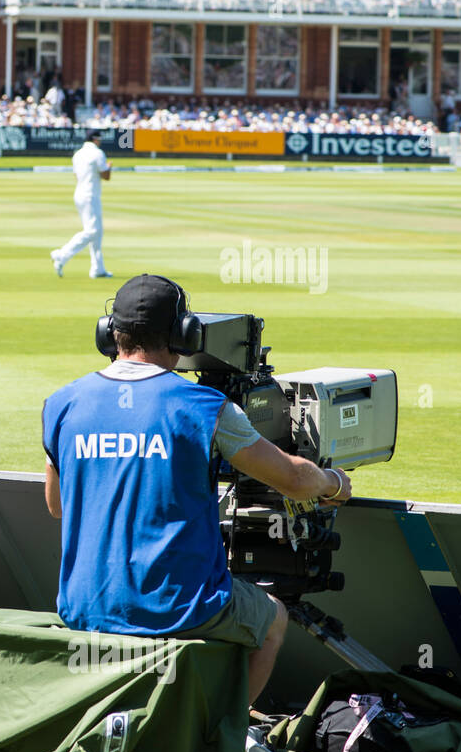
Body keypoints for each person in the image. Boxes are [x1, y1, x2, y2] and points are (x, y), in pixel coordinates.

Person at [41, 274, 352, 705]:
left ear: (109, 334)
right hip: (175, 608)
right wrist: (334, 483)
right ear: (183, 336)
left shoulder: (61, 403)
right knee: (273, 620)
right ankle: (223, 738)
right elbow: (295, 480)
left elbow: (57, 506)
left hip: (82, 607)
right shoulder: (202, 407)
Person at [50, 129, 112, 279]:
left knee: (97, 232)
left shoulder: (78, 154)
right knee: (93, 231)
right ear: (96, 140)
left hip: (80, 193)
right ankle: (62, 255)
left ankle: (98, 268)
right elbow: (106, 176)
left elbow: (76, 175)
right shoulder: (98, 153)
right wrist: (109, 167)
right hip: (90, 195)